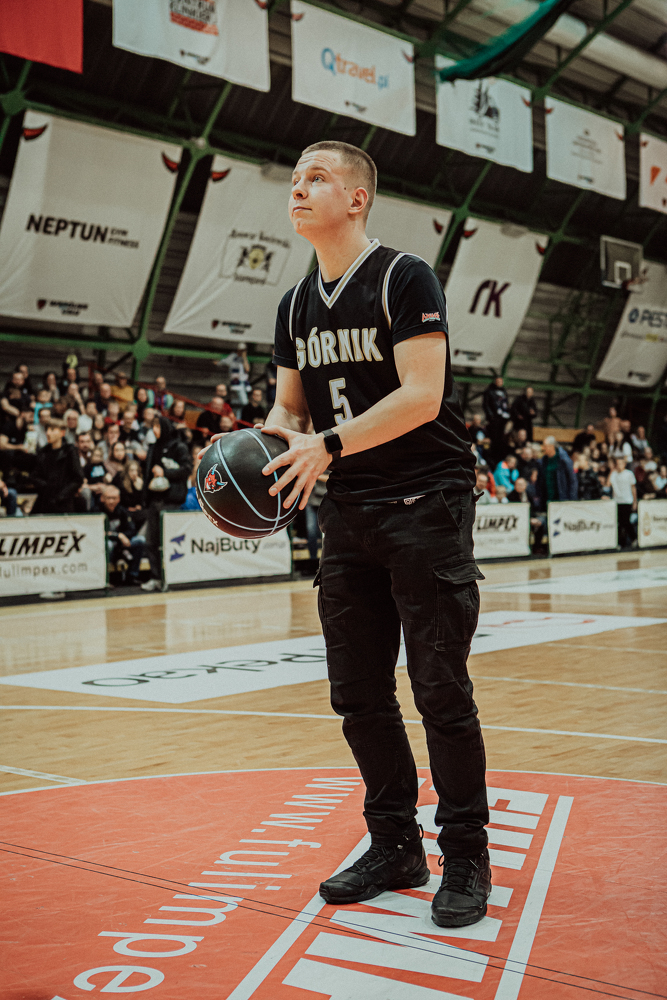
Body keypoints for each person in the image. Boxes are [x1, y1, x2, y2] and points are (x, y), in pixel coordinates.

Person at [205, 140, 490, 926]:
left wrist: (325, 445)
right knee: (358, 695)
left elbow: (422, 395)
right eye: (295, 180)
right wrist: (261, 449)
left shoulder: (403, 277)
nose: (298, 189)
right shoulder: (295, 305)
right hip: (349, 512)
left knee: (439, 691)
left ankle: (466, 854)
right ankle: (394, 844)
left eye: (317, 179)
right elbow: (289, 408)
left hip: (426, 505)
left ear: (356, 197)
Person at [141, 415, 192, 591]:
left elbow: (187, 469)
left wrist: (165, 472)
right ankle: (155, 578)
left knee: (170, 542)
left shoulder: (179, 447)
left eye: (157, 426)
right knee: (151, 542)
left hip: (171, 501)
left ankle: (171, 578)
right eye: (152, 427)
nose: (154, 430)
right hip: (153, 501)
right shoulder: (152, 447)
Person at [31, 418, 84, 514]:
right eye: (47, 430)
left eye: (52, 430)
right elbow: (35, 476)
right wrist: (46, 488)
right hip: (45, 500)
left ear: (62, 433)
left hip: (64, 502)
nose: (48, 433)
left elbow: (78, 478)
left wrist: (62, 496)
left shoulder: (70, 451)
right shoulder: (43, 452)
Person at [100, 484, 145, 584]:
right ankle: (105, 578)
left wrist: (122, 538)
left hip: (121, 543)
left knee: (140, 540)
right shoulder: (97, 511)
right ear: (102, 498)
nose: (111, 501)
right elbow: (97, 533)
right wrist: (118, 536)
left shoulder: (122, 510)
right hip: (106, 543)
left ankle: (132, 575)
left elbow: (132, 530)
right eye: (108, 498)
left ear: (119, 499)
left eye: (114, 498)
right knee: (108, 545)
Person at [536, 435, 578, 506]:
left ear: (552, 446)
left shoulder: (564, 460)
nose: (543, 448)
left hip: (562, 498)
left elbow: (573, 480)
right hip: (547, 499)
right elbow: (540, 480)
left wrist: (572, 499)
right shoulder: (543, 461)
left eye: (545, 446)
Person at [609, 456, 637, 548]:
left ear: (624, 464)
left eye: (621, 463)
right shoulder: (614, 474)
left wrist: (635, 501)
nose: (619, 465)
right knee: (620, 523)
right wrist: (612, 470)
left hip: (627, 501)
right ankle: (621, 543)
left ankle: (633, 538)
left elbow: (633, 488)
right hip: (617, 502)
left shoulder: (629, 474)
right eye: (617, 464)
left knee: (625, 522)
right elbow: (608, 484)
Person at [482, 376, 510, 464]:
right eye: (498, 381)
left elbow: (506, 403)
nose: (499, 383)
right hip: (494, 419)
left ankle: (500, 458)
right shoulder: (489, 391)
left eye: (501, 381)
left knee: (501, 440)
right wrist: (491, 416)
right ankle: (491, 459)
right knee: (493, 439)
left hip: (503, 419)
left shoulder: (504, 391)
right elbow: (486, 404)